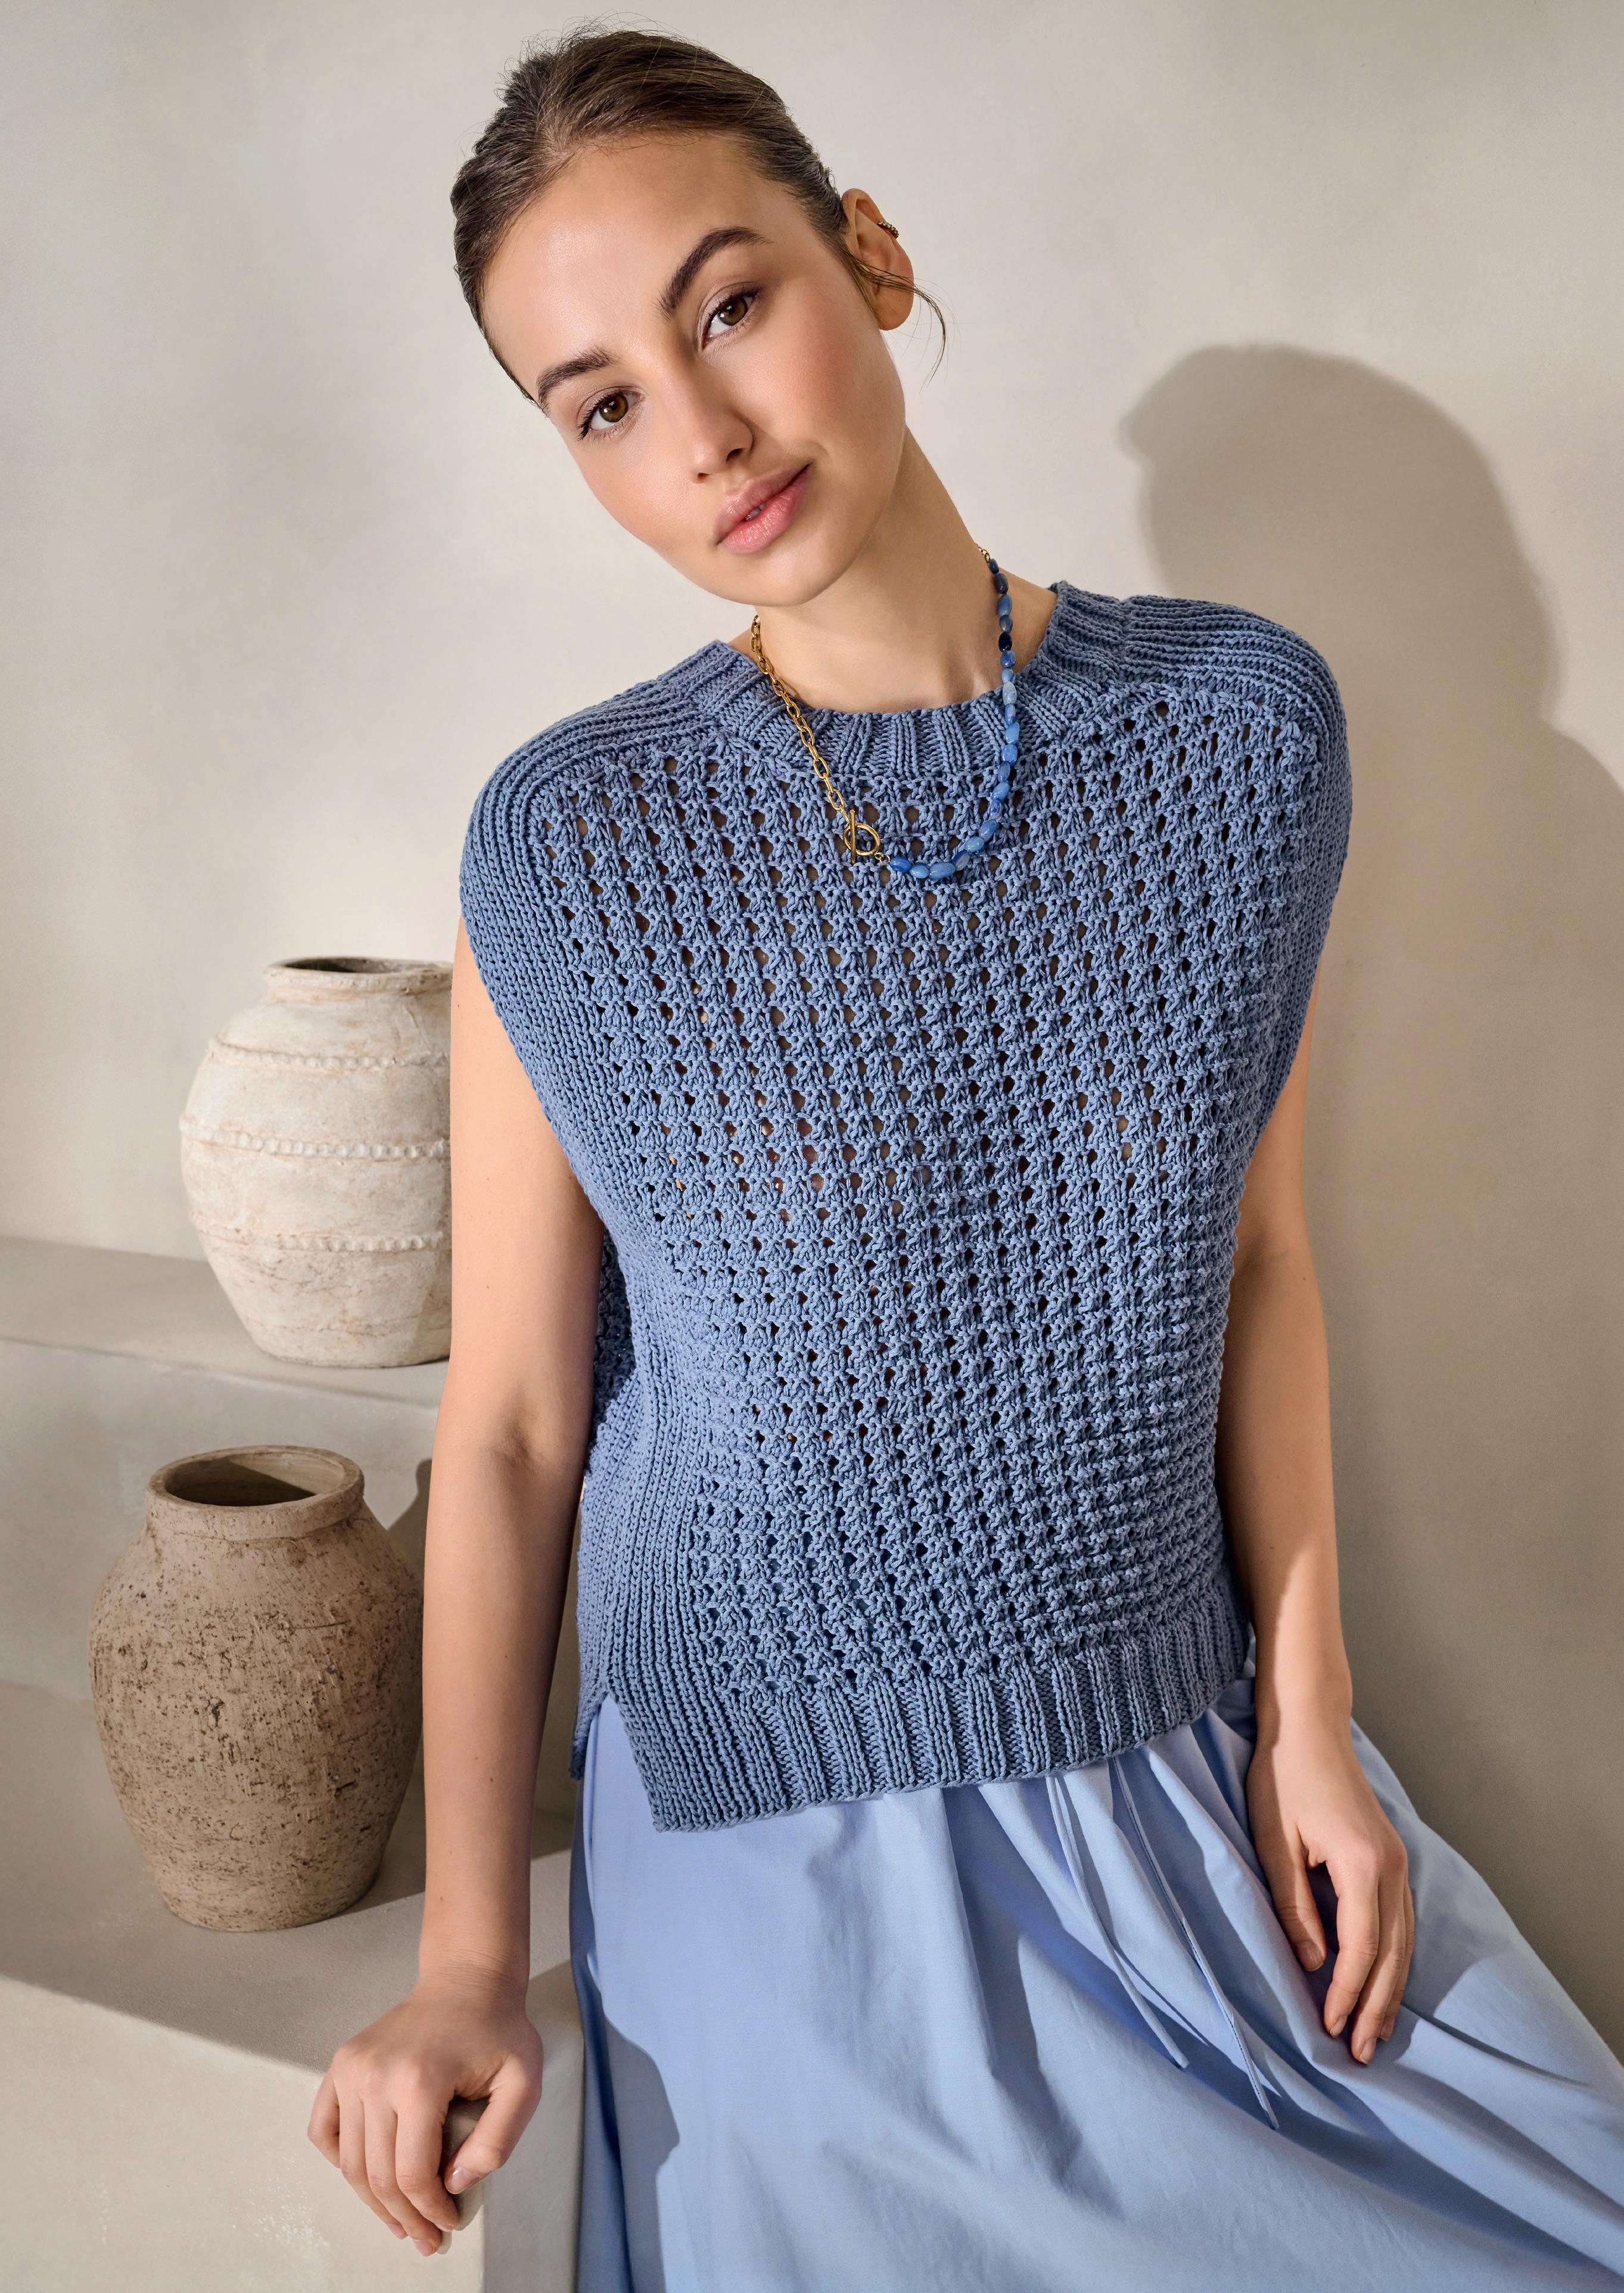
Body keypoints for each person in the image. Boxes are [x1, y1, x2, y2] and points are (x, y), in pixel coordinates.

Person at [308, 26, 1624, 2289]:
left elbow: (1257, 1264)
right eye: (599, 404)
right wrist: (463, 1960)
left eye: (730, 303)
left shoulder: (1239, 733)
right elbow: (514, 1427)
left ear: (874, 257)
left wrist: (1310, 1723)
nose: (702, 430)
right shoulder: (570, 845)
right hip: (781, 1842)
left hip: (1178, 1756)